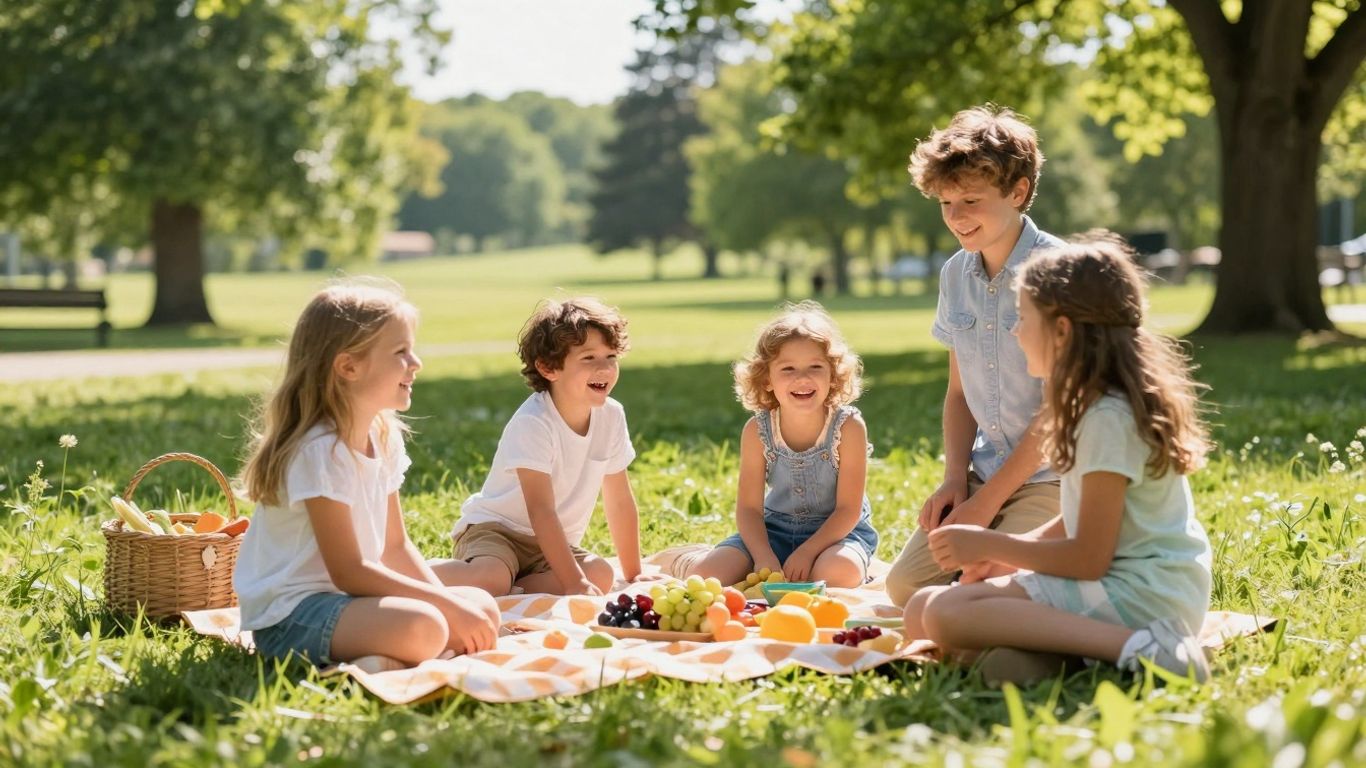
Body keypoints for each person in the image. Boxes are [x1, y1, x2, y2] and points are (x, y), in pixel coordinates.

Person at [902, 234, 1213, 681]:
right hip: (1112, 585)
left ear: (1062, 331)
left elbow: (1088, 558)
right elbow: (1076, 519)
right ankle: (1071, 656)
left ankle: (1144, 649)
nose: (1015, 331)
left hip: (1145, 595)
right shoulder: (1088, 406)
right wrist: (1004, 563)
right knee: (922, 611)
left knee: (944, 614)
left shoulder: (1108, 419)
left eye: (1022, 318)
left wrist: (991, 545)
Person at [234, 280, 500, 669]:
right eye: (401, 352)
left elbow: (395, 548)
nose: (416, 363)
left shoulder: (383, 436)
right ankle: (379, 660)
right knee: (426, 626)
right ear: (349, 367)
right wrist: (445, 608)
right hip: (292, 616)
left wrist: (452, 605)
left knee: (481, 606)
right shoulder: (321, 451)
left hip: (348, 602)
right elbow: (349, 571)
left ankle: (386, 655)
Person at [885, 104, 1066, 607]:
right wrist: (955, 481)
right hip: (983, 472)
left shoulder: (1059, 272)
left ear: (1018, 192)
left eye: (971, 200)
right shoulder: (954, 275)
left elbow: (1060, 412)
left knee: (984, 592)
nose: (957, 217)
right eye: (946, 203)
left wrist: (987, 504)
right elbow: (959, 392)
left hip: (1053, 480)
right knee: (905, 588)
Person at [429, 297, 648, 596]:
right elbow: (541, 510)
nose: (605, 368)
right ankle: (407, 574)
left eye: (611, 356)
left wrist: (634, 574)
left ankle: (511, 588)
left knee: (600, 574)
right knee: (491, 577)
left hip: (550, 545)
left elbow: (619, 500)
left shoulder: (612, 415)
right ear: (548, 368)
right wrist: (572, 582)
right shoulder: (534, 422)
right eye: (589, 358)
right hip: (497, 532)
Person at [673, 302, 879, 588]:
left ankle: (847, 567)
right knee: (708, 575)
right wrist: (763, 555)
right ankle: (686, 558)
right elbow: (749, 509)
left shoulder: (849, 426)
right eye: (788, 369)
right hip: (773, 532)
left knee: (838, 573)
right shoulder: (757, 430)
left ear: (833, 375)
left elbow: (848, 510)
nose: (802, 378)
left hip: (837, 535)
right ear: (767, 379)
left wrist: (807, 552)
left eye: (815, 367)